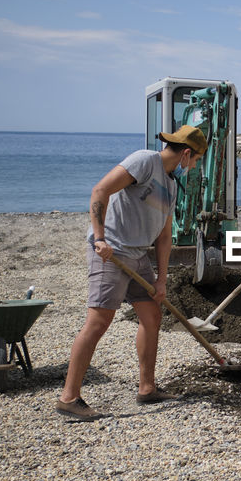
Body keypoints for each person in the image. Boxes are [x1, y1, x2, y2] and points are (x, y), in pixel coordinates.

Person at [56, 125, 207, 420]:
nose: (195, 166)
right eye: (198, 160)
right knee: (98, 321)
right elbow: (101, 190)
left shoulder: (173, 185)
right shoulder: (144, 160)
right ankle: (69, 398)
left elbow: (165, 237)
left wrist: (161, 280)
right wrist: (99, 238)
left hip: (137, 256)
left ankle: (147, 388)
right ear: (187, 153)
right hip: (110, 251)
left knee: (152, 316)